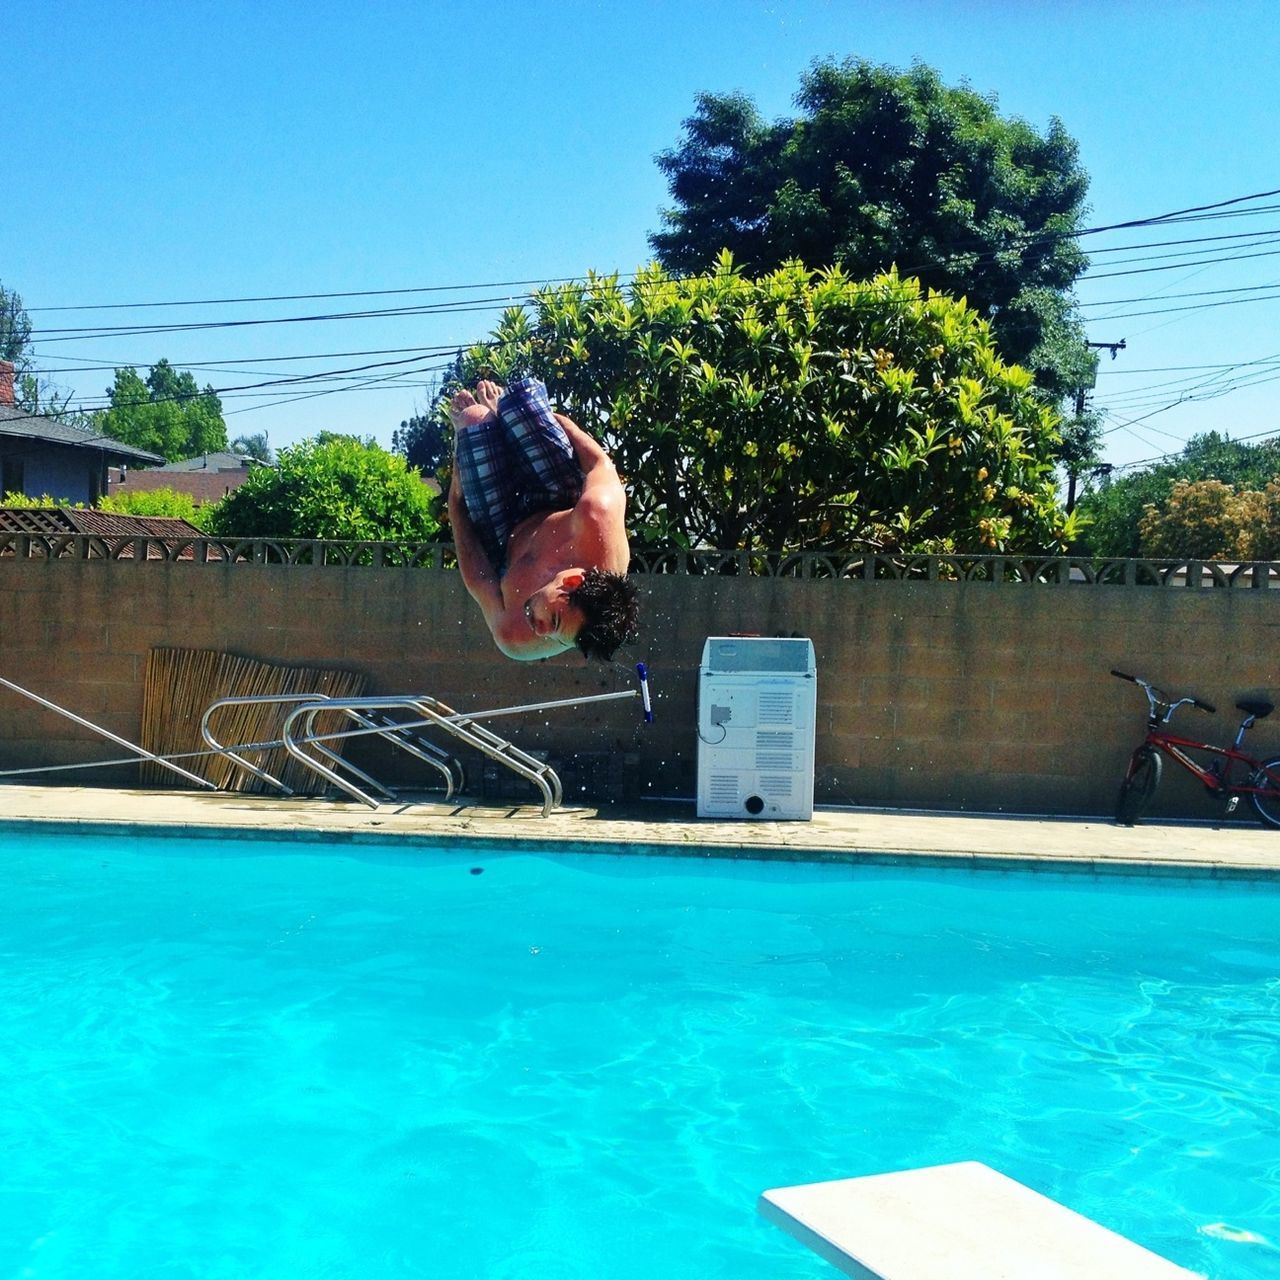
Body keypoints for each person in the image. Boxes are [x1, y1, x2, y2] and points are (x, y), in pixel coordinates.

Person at [446, 377, 639, 661]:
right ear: (571, 582)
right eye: (554, 622)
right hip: (560, 494)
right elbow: (599, 463)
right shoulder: (597, 518)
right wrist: (553, 420)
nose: (541, 631)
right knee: (518, 403)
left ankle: (484, 423)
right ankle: (505, 414)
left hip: (503, 534)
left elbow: (479, 579)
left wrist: (455, 501)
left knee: (474, 419)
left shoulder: (515, 637)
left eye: (558, 640)